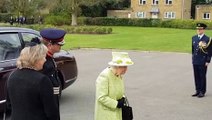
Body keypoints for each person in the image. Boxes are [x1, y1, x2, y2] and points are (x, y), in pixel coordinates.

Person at [6, 39, 59, 120]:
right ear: (36, 59)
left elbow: (9, 105)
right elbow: (51, 112)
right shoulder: (42, 80)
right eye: (43, 57)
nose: (45, 60)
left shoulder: (11, 76)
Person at [94, 52, 134, 120]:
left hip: (117, 112)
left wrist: (122, 98)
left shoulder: (118, 75)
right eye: (124, 67)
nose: (126, 69)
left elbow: (120, 90)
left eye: (126, 66)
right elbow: (101, 97)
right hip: (106, 114)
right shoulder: (104, 76)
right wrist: (116, 104)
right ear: (117, 66)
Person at [40, 28, 66, 120]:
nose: (60, 46)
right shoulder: (42, 61)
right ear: (50, 45)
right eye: (59, 44)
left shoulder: (49, 57)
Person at [191, 23, 211, 98]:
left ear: (203, 30)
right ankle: (197, 90)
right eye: (197, 29)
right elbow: (193, 50)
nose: (198, 30)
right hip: (195, 60)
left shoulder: (207, 39)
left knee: (202, 76)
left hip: (203, 61)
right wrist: (193, 58)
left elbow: (209, 51)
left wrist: (208, 61)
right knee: (196, 76)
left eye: (200, 29)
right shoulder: (194, 38)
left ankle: (202, 91)